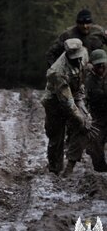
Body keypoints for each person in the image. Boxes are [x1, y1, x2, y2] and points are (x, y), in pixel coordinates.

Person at [42, 38, 98, 176]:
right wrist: (80, 118)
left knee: (85, 126)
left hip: (76, 93)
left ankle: (71, 164)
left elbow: (85, 67)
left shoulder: (83, 52)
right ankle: (54, 170)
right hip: (55, 101)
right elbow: (68, 103)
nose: (76, 59)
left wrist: (83, 119)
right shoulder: (57, 72)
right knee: (56, 136)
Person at [84, 49, 107, 172]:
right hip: (97, 117)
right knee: (94, 142)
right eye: (98, 65)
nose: (101, 67)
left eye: (103, 64)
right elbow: (82, 100)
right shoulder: (87, 80)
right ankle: (101, 169)